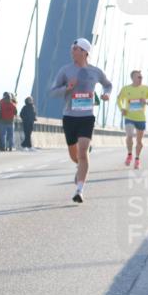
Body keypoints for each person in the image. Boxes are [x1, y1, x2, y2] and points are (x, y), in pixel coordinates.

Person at [49, 37, 112, 203]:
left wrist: (107, 94)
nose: (72, 52)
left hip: (87, 117)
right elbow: (53, 91)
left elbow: (108, 84)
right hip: (69, 116)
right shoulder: (65, 70)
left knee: (83, 151)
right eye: (72, 49)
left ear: (85, 52)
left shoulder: (96, 72)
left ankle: (80, 190)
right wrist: (67, 87)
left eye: (75, 49)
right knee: (74, 154)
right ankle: (79, 165)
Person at [116, 70, 148, 169]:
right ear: (133, 78)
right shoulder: (126, 89)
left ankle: (137, 159)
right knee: (129, 135)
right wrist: (122, 109)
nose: (141, 79)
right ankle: (129, 154)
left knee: (139, 141)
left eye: (141, 77)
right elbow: (118, 100)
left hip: (141, 118)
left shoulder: (146, 88)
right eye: (139, 77)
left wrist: (146, 101)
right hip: (129, 117)